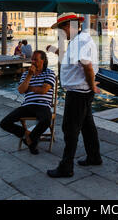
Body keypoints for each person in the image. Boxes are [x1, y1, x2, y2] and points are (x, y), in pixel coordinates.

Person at [46, 13, 102, 178]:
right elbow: (72, 60)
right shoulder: (78, 41)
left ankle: (66, 167)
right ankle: (94, 157)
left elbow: (88, 67)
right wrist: (55, 50)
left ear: (66, 27)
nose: (59, 34)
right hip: (82, 91)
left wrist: (92, 86)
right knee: (87, 127)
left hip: (78, 93)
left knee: (70, 130)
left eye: (60, 30)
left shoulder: (80, 41)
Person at [0, 50, 56, 155]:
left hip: (43, 105)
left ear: (43, 61)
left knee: (46, 120)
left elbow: (43, 90)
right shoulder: (26, 73)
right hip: (27, 105)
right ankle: (28, 136)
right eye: (32, 59)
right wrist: (29, 76)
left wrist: (29, 88)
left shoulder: (50, 73)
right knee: (4, 123)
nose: (33, 62)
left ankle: (30, 140)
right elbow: (21, 90)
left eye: (36, 59)